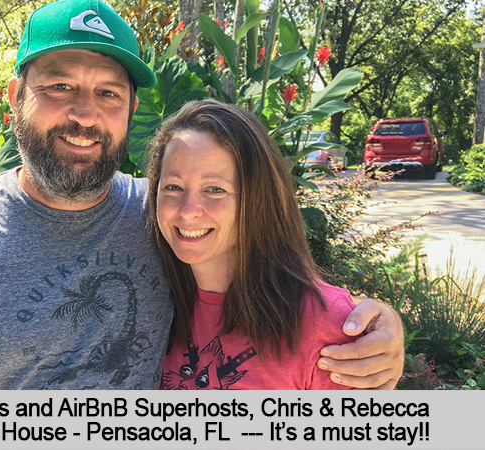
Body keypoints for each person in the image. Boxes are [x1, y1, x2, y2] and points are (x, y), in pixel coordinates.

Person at [0, 0, 403, 390]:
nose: (84, 114)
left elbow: (271, 275)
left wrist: (374, 323)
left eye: (108, 93)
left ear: (132, 111)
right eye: (59, 86)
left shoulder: (165, 216)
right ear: (15, 97)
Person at [149, 100, 388, 390]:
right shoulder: (150, 292)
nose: (188, 210)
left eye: (215, 189)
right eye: (173, 186)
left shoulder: (325, 326)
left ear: (258, 199)